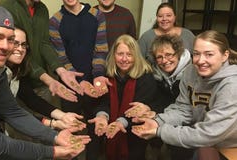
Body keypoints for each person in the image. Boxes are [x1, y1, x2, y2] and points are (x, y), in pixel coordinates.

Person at [0, 5, 90, 160]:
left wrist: (55, 137)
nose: (6, 46)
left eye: (10, 39)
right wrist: (53, 152)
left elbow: (12, 112)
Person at [131, 30, 237, 160]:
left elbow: (209, 133)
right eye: (196, 54)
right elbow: (183, 109)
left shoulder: (232, 84)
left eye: (209, 54)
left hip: (229, 146)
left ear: (225, 55)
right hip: (206, 142)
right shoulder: (190, 71)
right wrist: (157, 121)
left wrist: (160, 131)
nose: (200, 60)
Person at [49, 0, 109, 159]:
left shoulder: (97, 15)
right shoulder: (55, 21)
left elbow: (101, 50)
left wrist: (97, 77)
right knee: (71, 128)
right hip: (69, 85)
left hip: (94, 83)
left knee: (95, 127)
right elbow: (61, 57)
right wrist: (75, 80)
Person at [0, 0, 84, 107]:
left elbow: (44, 43)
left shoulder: (42, 9)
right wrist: (47, 79)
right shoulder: (6, 6)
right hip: (19, 80)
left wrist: (61, 70)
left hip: (41, 82)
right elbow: (15, 50)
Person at [88, 34, 159, 160]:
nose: (124, 59)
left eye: (129, 54)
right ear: (114, 55)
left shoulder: (146, 77)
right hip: (109, 127)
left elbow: (140, 111)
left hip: (135, 130)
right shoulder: (106, 75)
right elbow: (103, 102)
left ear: (136, 56)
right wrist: (102, 116)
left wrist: (121, 122)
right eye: (120, 54)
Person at [5, 27, 86, 133]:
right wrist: (53, 123)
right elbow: (12, 113)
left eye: (23, 45)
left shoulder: (19, 69)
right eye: (15, 43)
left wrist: (63, 116)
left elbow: (32, 99)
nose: (20, 49)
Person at [150, 34, 193, 160]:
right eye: (159, 57)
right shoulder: (156, 75)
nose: (164, 60)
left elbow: (187, 110)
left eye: (169, 55)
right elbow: (159, 99)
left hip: (189, 124)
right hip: (168, 116)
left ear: (178, 53)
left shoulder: (192, 73)